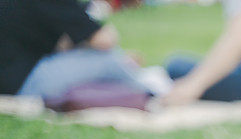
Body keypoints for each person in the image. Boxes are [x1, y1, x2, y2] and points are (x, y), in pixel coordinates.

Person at [0, 0, 145, 100]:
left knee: (104, 59)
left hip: (13, 77)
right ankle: (150, 91)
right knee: (107, 60)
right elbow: (105, 40)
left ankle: (132, 76)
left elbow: (64, 43)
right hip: (21, 83)